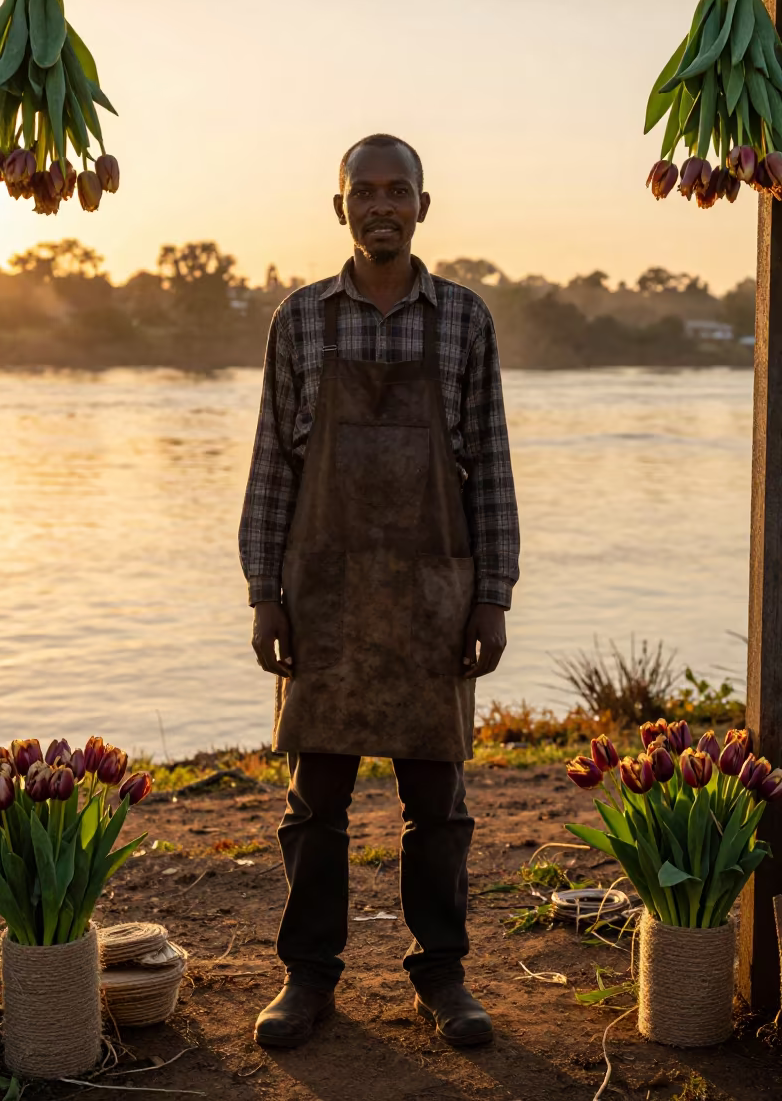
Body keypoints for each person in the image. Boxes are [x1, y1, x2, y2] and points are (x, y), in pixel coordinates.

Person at [239, 133, 520, 1049]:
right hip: (319, 593)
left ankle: (442, 975)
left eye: (399, 191)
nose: (383, 206)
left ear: (424, 207)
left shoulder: (465, 320)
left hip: (434, 595)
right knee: (314, 803)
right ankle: (307, 979)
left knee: (437, 805)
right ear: (341, 209)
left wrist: (494, 594)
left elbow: (491, 472)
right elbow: (273, 471)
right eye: (366, 192)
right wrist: (262, 590)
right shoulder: (301, 320)